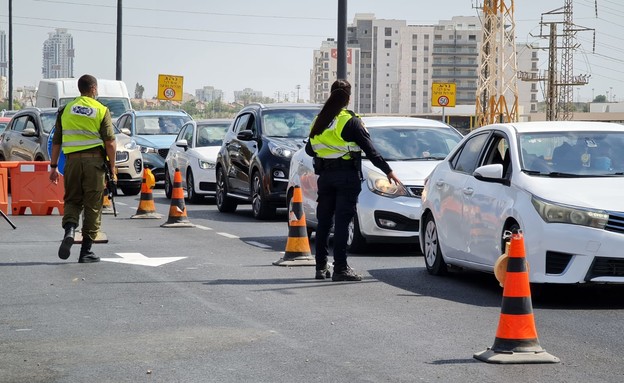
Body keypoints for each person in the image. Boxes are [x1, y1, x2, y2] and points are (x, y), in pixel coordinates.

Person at [306, 79, 401, 281]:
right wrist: (388, 171)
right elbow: (371, 151)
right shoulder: (350, 121)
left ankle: (320, 267)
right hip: (346, 178)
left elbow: (309, 149)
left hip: (325, 177)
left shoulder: (319, 120)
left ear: (330, 95)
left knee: (323, 222)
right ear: (348, 98)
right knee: (342, 223)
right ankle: (340, 268)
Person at [49, 74, 117, 263]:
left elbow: (56, 141)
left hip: (71, 163)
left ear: (80, 89)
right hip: (94, 164)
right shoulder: (101, 110)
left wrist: (53, 167)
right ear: (94, 89)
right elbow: (110, 142)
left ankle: (70, 231)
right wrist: (112, 168)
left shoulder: (66, 109)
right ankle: (85, 251)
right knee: (92, 205)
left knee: (72, 200)